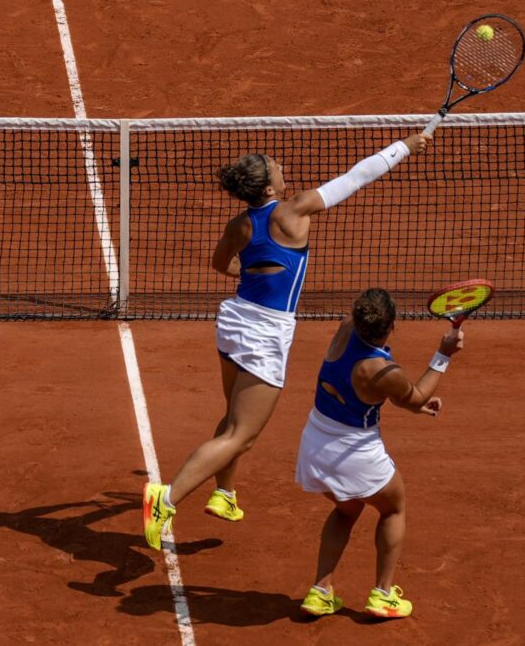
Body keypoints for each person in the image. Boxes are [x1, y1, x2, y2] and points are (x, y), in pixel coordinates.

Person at [143, 132, 433, 551]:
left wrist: (255, 277)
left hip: (234, 320)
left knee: (233, 415)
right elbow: (357, 177)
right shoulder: (294, 212)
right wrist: (404, 147)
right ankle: (164, 499)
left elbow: (220, 263)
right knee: (242, 435)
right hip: (264, 333)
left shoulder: (239, 224)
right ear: (267, 188)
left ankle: (224, 494)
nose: (283, 169)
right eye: (276, 168)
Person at [295, 288, 464, 619]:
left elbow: (393, 396)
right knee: (393, 508)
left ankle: (320, 592)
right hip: (354, 453)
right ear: (392, 327)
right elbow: (413, 397)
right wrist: (444, 354)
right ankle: (383, 595)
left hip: (315, 443)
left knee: (347, 510)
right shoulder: (383, 371)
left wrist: (411, 402)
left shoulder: (344, 329)